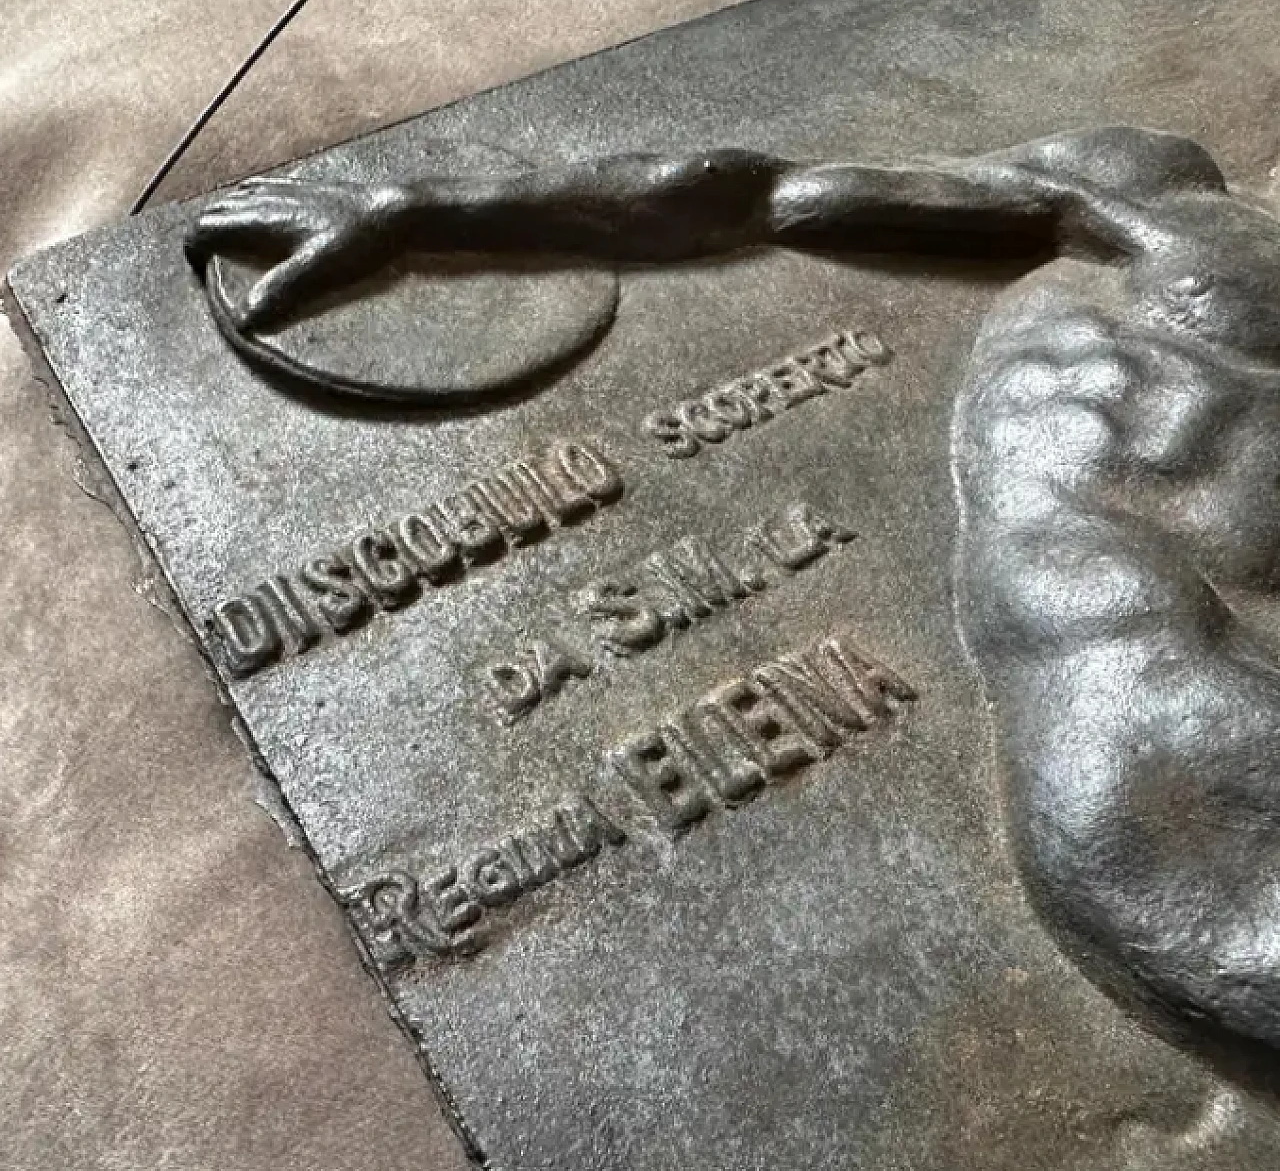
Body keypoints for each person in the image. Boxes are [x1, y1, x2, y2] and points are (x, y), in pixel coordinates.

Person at [189, 126, 1280, 1066]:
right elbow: (753, 194)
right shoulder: (1144, 180)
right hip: (1105, 644)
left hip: (1160, 661)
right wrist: (418, 209)